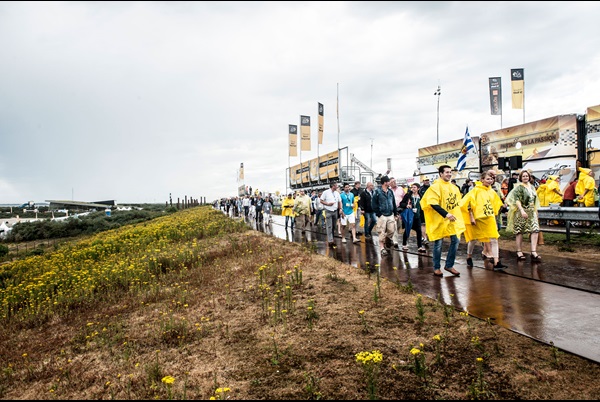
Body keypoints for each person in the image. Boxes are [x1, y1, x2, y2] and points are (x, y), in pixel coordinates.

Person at [420, 165, 465, 277]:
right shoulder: (435, 187)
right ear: (440, 174)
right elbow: (432, 202)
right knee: (438, 243)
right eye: (446, 172)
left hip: (452, 220)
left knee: (456, 240)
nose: (449, 174)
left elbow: (458, 203)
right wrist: (446, 214)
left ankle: (449, 265)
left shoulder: (454, 187)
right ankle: (436, 268)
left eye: (450, 172)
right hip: (439, 220)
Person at [459, 171, 506, 270]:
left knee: (494, 238)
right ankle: (469, 256)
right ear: (482, 180)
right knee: (473, 239)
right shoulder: (476, 190)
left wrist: (503, 207)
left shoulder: (491, 191)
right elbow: (468, 203)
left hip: (489, 218)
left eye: (491, 179)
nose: (490, 181)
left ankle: (497, 262)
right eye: (488, 179)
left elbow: (496, 203)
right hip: (478, 219)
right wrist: (471, 216)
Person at [505, 169, 542, 262]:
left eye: (527, 176)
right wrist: (521, 210)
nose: (525, 177)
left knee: (535, 230)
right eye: (523, 176)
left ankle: (533, 251)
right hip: (521, 211)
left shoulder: (532, 187)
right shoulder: (518, 187)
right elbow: (516, 200)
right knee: (519, 231)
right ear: (521, 178)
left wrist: (536, 211)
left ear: (529, 177)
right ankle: (519, 251)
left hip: (531, 211)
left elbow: (535, 200)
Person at [371, 175, 398, 256]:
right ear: (385, 182)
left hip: (390, 214)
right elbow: (373, 204)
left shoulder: (390, 192)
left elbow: (393, 202)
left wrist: (395, 213)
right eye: (388, 181)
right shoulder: (377, 192)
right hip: (382, 215)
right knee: (381, 232)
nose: (390, 182)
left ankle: (387, 240)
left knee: (391, 230)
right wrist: (378, 213)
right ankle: (382, 248)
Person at [399, 183, 425, 253]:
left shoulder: (421, 196)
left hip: (417, 216)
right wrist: (406, 205)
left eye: (415, 187)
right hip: (410, 215)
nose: (413, 188)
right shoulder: (408, 195)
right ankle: (404, 243)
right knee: (408, 229)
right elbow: (401, 203)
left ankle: (419, 246)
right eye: (412, 187)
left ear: (418, 188)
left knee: (419, 231)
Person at [320, 182, 342, 247]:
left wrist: (340, 209)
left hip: (335, 211)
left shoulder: (337, 193)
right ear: (333, 186)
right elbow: (321, 200)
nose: (337, 187)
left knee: (334, 226)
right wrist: (327, 204)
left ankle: (332, 238)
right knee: (329, 226)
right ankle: (330, 241)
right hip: (328, 211)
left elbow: (339, 201)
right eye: (336, 186)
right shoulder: (326, 192)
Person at [389, 177, 405, 250]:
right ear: (389, 183)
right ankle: (395, 241)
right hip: (392, 210)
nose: (394, 183)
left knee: (399, 225)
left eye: (394, 181)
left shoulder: (401, 189)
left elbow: (405, 198)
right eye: (392, 182)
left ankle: (391, 236)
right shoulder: (389, 190)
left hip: (400, 209)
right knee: (394, 225)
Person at [418, 177, 431, 246]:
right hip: (423, 208)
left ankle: (428, 236)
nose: (427, 181)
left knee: (429, 223)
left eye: (427, 180)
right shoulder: (421, 189)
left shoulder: (431, 188)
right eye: (425, 180)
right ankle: (424, 237)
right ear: (423, 181)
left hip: (431, 209)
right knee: (423, 224)